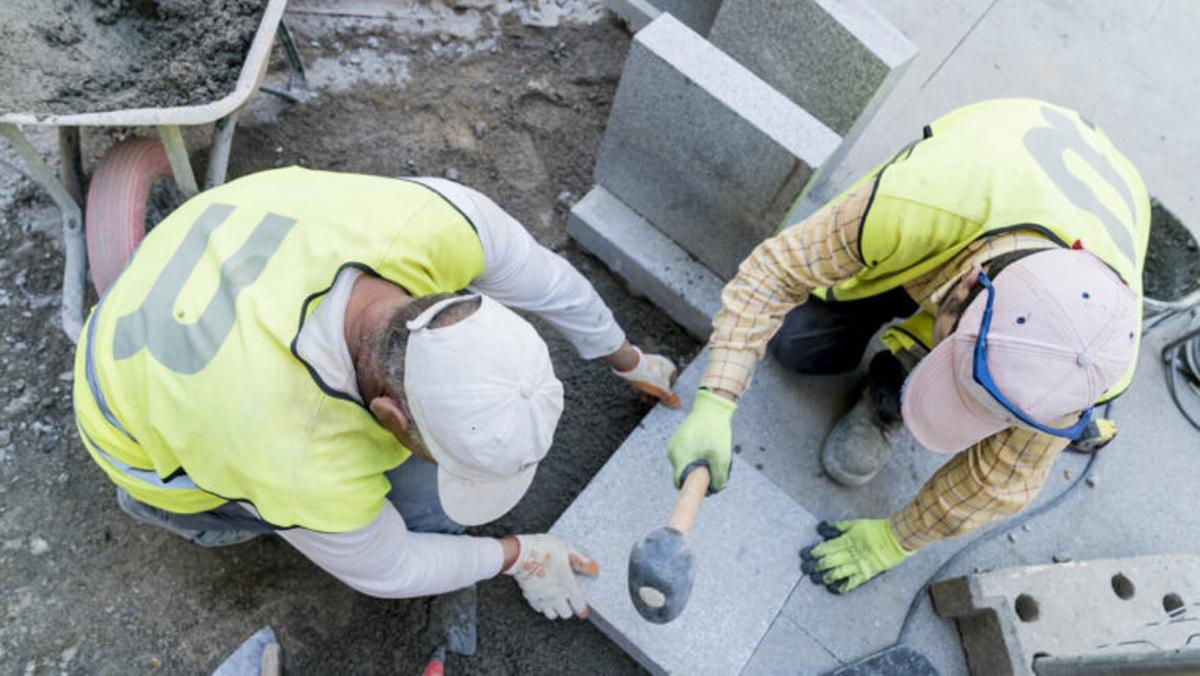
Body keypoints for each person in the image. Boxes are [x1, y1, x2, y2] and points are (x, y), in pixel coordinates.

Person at [73, 167, 680, 618]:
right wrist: (518, 552)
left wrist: (628, 360)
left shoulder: (435, 223)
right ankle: (188, 512)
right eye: (446, 452)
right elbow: (391, 567)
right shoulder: (292, 458)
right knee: (425, 514)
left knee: (415, 499)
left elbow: (550, 284)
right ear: (388, 414)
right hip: (128, 425)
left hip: (193, 257)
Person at [666, 98, 1147, 593]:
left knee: (913, 392)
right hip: (968, 206)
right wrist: (715, 400)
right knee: (801, 344)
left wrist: (895, 540)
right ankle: (909, 336)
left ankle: (893, 387)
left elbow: (1006, 477)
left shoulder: (1095, 351)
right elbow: (775, 272)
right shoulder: (919, 201)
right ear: (962, 289)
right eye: (961, 375)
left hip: (1079, 213)